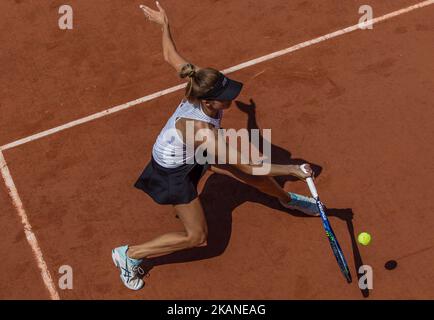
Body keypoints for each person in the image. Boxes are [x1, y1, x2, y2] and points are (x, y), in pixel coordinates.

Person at [112, 1, 320, 290]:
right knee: (197, 236)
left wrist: (165, 25)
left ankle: (287, 200)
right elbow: (249, 163)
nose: (230, 99)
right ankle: (130, 254)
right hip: (173, 171)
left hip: (191, 153)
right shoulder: (202, 132)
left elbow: (170, 56)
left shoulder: (200, 81)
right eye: (226, 96)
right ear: (208, 101)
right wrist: (293, 169)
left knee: (250, 178)